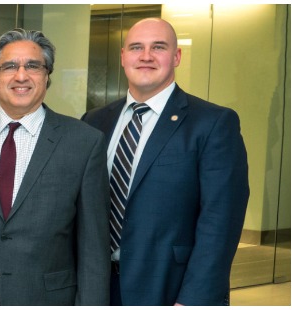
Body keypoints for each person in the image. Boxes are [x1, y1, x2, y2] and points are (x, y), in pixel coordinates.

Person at [80, 18, 249, 306]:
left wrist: (194, 300)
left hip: (171, 290)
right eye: (136, 47)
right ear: (123, 57)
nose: (145, 56)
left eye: (158, 47)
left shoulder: (212, 123)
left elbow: (221, 222)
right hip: (98, 288)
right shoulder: (94, 122)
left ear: (177, 56)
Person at [0, 28, 110, 306]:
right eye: (9, 66)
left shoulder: (84, 142)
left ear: (47, 77)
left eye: (33, 66)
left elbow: (93, 248)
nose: (21, 76)